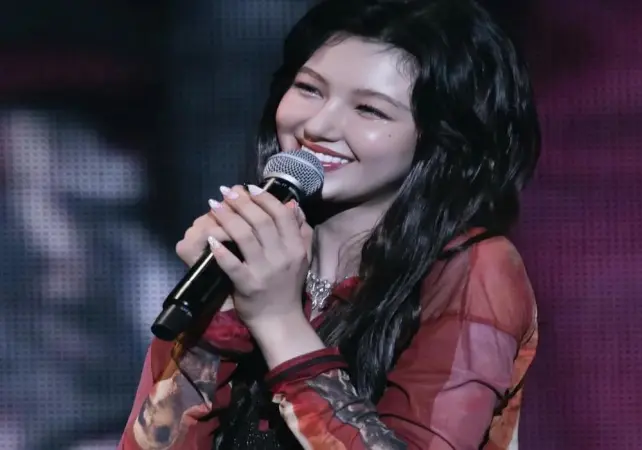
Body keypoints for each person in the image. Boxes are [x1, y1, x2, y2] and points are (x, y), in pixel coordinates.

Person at [118, 0, 541, 448]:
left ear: (441, 138)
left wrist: (277, 319)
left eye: (369, 110)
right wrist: (216, 315)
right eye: (309, 89)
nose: (317, 126)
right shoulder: (248, 256)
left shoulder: (474, 269)